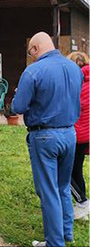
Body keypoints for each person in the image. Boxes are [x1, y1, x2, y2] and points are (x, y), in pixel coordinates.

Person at [12, 32, 82, 247]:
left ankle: (54, 242)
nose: (31, 56)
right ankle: (66, 233)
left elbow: (17, 107)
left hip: (44, 135)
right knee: (63, 186)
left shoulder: (33, 71)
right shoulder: (74, 68)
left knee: (49, 191)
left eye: (30, 52)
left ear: (35, 49)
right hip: (70, 133)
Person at [67, 51, 89, 220]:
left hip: (76, 133)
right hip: (86, 134)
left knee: (64, 173)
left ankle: (82, 201)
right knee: (77, 170)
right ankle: (81, 206)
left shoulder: (77, 82)